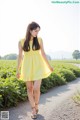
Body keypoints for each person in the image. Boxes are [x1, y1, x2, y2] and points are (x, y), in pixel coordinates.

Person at [16, 21, 53, 119]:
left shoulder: (39, 40)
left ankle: (36, 105)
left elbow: (43, 54)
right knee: (29, 89)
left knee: (36, 88)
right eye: (36, 31)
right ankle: (33, 109)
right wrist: (17, 70)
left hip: (38, 66)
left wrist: (49, 66)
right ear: (30, 30)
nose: (37, 33)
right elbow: (20, 56)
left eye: (38, 31)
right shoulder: (21, 41)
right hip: (27, 66)